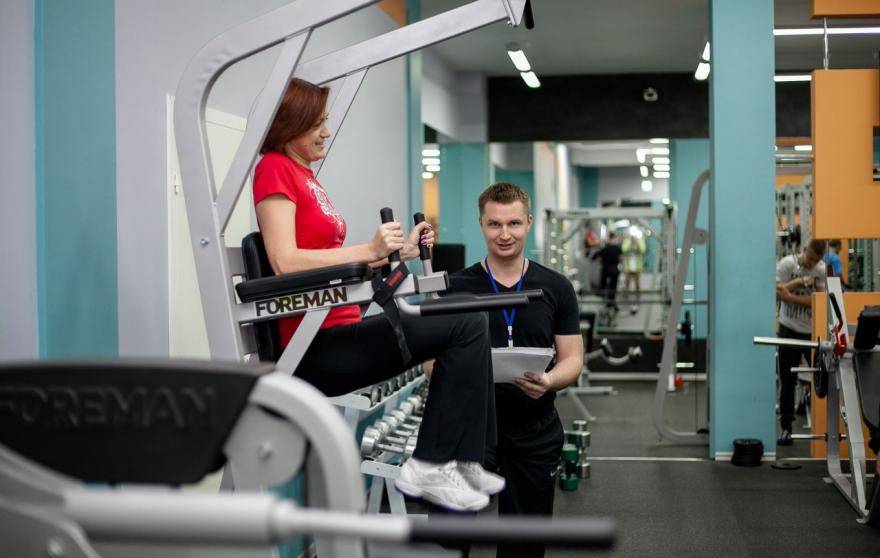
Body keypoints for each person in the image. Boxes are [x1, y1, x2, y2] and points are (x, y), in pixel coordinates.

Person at [253, 78, 501, 511]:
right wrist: (369, 250)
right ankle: (434, 463)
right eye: (317, 123)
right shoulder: (274, 167)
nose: (326, 132)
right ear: (290, 124)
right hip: (315, 347)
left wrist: (396, 254)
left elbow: (331, 262)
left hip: (341, 328)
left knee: (472, 320)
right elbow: (284, 261)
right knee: (466, 325)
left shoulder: (305, 175)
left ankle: (464, 459)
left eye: (326, 121)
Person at [446, 182, 584, 558]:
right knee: (449, 539)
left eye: (513, 224)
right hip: (470, 427)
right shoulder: (455, 287)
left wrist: (550, 380)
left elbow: (572, 358)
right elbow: (430, 364)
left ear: (528, 223)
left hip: (533, 428)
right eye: (494, 224)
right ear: (481, 224)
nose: (504, 234)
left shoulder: (556, 287)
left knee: (524, 544)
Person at [775, 239, 827, 446]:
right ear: (805, 250)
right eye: (810, 258)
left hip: (811, 333)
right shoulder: (787, 264)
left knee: (824, 380)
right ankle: (786, 428)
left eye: (815, 261)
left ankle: (826, 428)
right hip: (788, 329)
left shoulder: (821, 271)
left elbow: (818, 301)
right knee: (787, 381)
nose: (811, 263)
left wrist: (790, 296)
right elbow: (776, 291)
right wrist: (798, 283)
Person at [591, 232, 622, 312]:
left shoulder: (604, 249)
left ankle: (603, 303)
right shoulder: (618, 249)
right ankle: (611, 302)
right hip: (614, 269)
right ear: (614, 238)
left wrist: (601, 260)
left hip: (605, 269)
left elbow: (594, 257)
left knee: (602, 287)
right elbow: (621, 259)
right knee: (613, 288)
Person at [621, 228, 646, 314]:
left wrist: (637, 241)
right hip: (628, 266)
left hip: (637, 266)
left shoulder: (640, 239)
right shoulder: (627, 240)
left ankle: (638, 296)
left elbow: (642, 249)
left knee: (637, 282)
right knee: (627, 281)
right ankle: (626, 296)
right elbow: (624, 249)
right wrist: (630, 241)